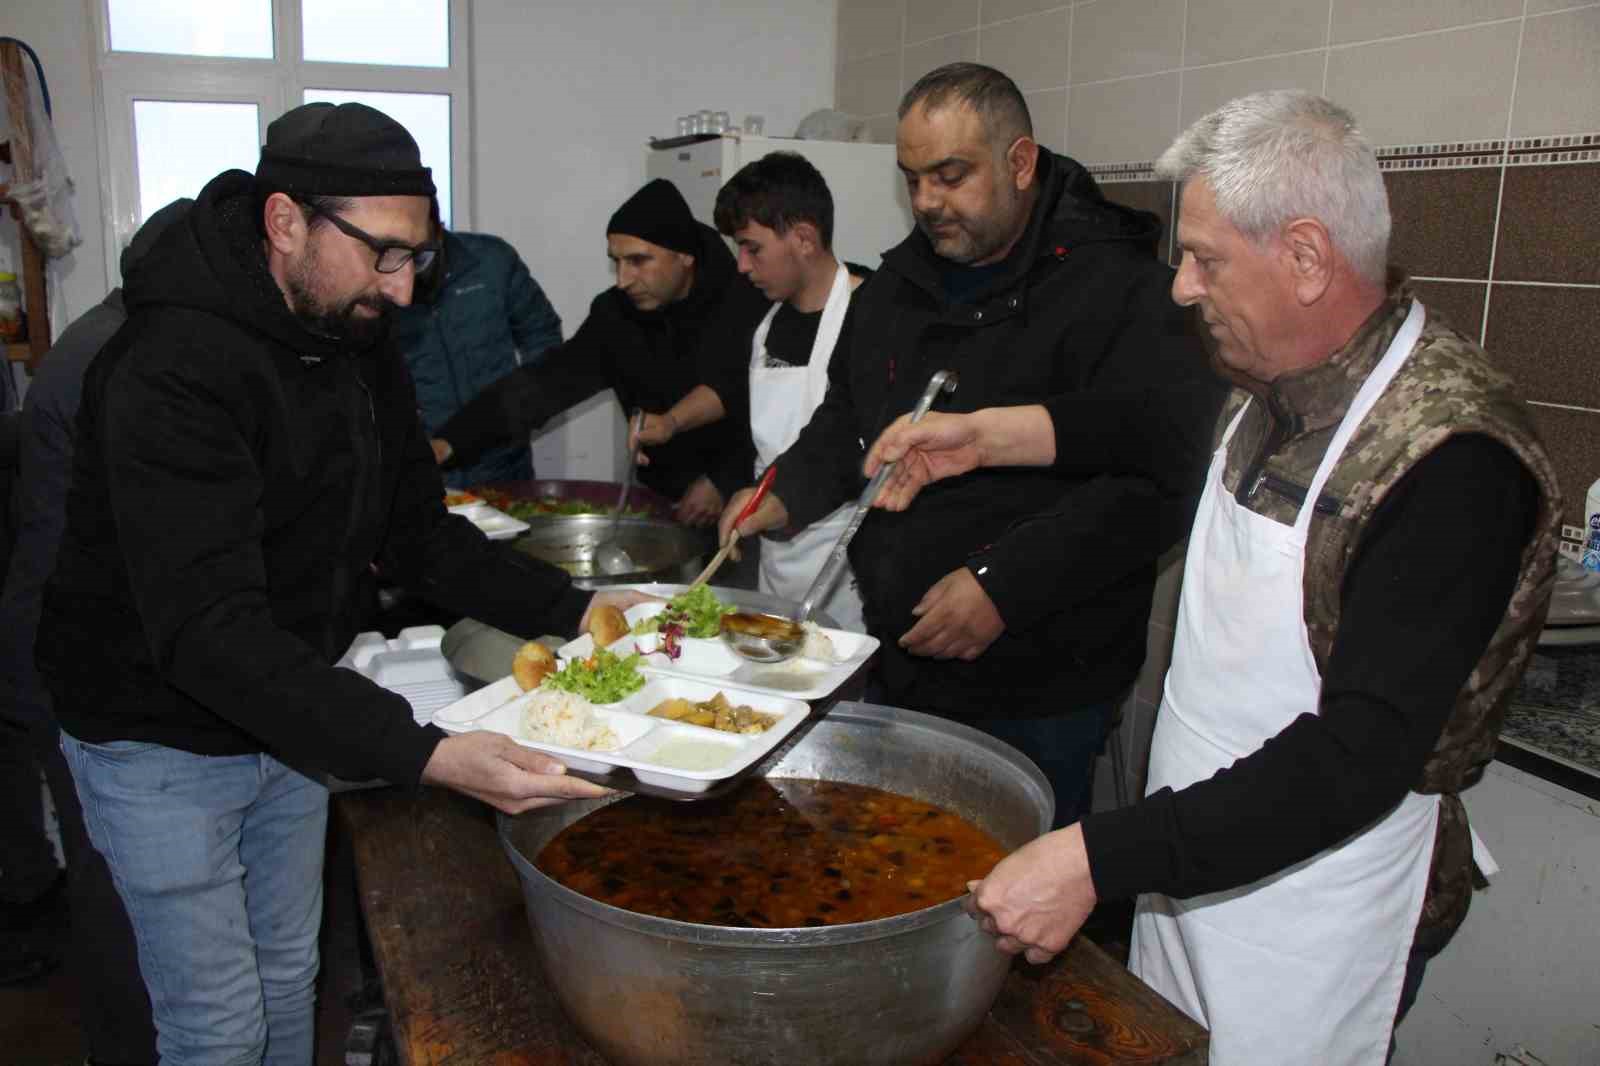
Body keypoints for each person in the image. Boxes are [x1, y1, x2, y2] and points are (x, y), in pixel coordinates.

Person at [872, 91, 1563, 1065]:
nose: (1180, 289)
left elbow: (1355, 756)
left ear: (1307, 258)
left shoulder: (1450, 456)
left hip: (1319, 895)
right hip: (1193, 849)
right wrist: (976, 438)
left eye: (1204, 259)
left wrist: (1092, 857)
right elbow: (1143, 426)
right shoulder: (1272, 373)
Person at [34, 102, 640, 1065]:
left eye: (419, 260)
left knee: (287, 977)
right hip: (156, 734)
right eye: (383, 256)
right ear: (285, 222)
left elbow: (418, 540)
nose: (403, 291)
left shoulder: (354, 336)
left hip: (290, 715)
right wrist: (429, 753)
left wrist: (587, 612)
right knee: (219, 1023)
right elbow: (205, 630)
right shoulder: (167, 368)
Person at [718, 63, 1222, 825]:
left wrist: (1003, 585)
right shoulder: (894, 290)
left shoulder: (1121, 290)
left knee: (1018, 899)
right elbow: (846, 418)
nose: (925, 201)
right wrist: (781, 494)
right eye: (912, 178)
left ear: (1020, 162)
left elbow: (1156, 482)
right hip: (900, 661)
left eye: (950, 176)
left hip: (1043, 678)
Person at [0, 199, 190, 1059]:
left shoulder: (109, 330)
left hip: (46, 641)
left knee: (114, 886)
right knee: (116, 896)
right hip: (58, 660)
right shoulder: (119, 356)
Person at [429, 178, 768, 526]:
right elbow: (545, 383)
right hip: (664, 498)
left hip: (748, 499)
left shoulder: (747, 300)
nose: (623, 280)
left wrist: (724, 480)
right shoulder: (616, 315)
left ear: (684, 255)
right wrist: (451, 441)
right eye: (617, 262)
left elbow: (756, 402)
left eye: (638, 261)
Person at [634, 152, 871, 629]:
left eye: (752, 248)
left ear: (804, 238)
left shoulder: (872, 314)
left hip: (852, 563)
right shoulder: (763, 322)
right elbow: (741, 413)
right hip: (776, 558)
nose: (741, 266)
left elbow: (854, 442)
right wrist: (673, 426)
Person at [390, 225, 562, 488]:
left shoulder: (491, 260)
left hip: (504, 462)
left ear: (437, 229)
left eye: (421, 257)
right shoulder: (378, 281)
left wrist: (527, 407)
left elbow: (542, 334)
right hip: (425, 472)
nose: (412, 270)